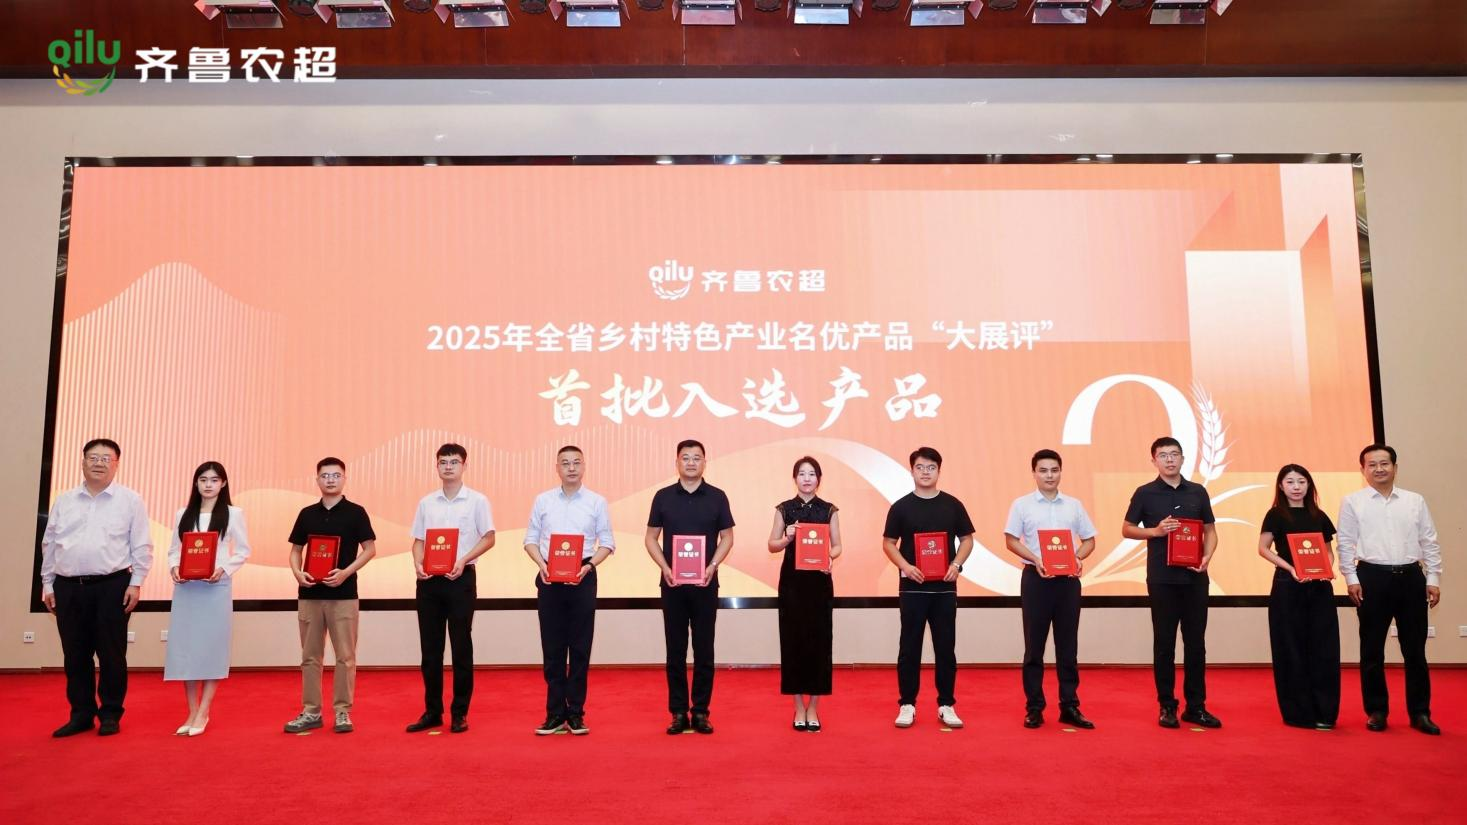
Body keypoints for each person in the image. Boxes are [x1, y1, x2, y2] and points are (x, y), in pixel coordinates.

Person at [40, 438, 152, 737]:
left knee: (111, 654)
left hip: (111, 586)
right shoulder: (64, 500)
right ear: (83, 462)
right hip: (67, 587)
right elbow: (50, 543)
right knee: (75, 654)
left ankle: (111, 713)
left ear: (116, 464)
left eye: (106, 458)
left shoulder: (130, 500)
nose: (99, 463)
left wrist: (136, 583)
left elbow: (142, 545)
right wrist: (48, 583)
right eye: (93, 457)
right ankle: (81, 714)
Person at [1337, 444, 1442, 735]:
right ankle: (1377, 710)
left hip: (1411, 578)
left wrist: (1433, 578)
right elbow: (1345, 543)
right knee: (1372, 649)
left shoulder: (1414, 501)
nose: (1379, 469)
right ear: (1363, 470)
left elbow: (1429, 540)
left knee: (1415, 650)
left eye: (1384, 463)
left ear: (1395, 467)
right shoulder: (1353, 502)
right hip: (1372, 578)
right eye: (1372, 464)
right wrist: (1351, 578)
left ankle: (1420, 713)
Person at [1122, 436, 1220, 729]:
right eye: (1163, 455)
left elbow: (1210, 531)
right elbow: (1127, 529)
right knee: (1164, 644)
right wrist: (1155, 531)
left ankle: (1196, 707)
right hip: (1162, 579)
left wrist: (1207, 556)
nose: (1169, 459)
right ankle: (1167, 705)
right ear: (1154, 460)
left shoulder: (1198, 492)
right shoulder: (1145, 493)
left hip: (1195, 578)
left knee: (1196, 644)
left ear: (1182, 458)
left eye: (1174, 454)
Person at [1002, 449, 1097, 730]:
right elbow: (1010, 540)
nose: (1049, 475)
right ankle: (1034, 708)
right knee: (1034, 648)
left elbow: (1090, 540)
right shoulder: (1022, 505)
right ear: (1034, 473)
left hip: (1068, 582)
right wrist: (1036, 559)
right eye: (1043, 470)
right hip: (1036, 580)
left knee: (1068, 647)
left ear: (1061, 472)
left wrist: (1077, 557)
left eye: (1054, 470)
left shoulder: (1074, 505)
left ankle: (1069, 706)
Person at [645, 439, 735, 735]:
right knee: (675, 650)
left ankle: (700, 712)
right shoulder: (663, 497)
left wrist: (712, 566)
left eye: (697, 457)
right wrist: (665, 567)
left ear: (705, 462)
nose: (691, 462)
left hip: (706, 584)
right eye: (686, 457)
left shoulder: (718, 497)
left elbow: (727, 538)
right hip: (672, 584)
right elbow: (651, 538)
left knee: (704, 650)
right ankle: (678, 712)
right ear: (677, 462)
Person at [523, 446, 615, 736]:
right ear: (557, 468)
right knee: (552, 649)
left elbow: (607, 543)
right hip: (549, 577)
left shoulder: (596, 502)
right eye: (565, 463)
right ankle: (554, 714)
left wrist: (589, 566)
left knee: (579, 648)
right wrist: (541, 564)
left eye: (576, 463)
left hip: (582, 576)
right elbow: (530, 539)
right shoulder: (543, 500)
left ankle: (575, 713)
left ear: (584, 466)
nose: (571, 468)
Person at [882, 446, 975, 730]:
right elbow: (888, 543)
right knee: (909, 648)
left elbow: (967, 539)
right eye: (920, 467)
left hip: (944, 589)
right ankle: (907, 704)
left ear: (939, 471)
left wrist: (956, 564)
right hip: (912, 588)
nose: (925, 472)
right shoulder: (900, 507)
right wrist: (906, 566)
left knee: (945, 648)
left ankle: (946, 704)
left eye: (931, 467)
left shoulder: (952, 505)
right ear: (912, 471)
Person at [284, 457, 377, 734]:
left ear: (344, 479)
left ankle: (342, 712)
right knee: (310, 657)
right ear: (317, 480)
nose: (330, 480)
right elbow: (296, 550)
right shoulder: (306, 514)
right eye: (325, 476)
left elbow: (370, 549)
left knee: (345, 657)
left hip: (344, 595)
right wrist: (297, 572)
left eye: (336, 475)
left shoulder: (356, 513)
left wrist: (346, 573)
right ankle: (311, 711)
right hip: (309, 594)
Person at [407, 443, 495, 734]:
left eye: (454, 462)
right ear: (437, 466)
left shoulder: (477, 501)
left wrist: (463, 559)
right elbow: (418, 540)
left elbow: (489, 537)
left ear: (464, 466)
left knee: (461, 648)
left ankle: (460, 713)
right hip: (429, 583)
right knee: (430, 650)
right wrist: (418, 562)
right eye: (443, 462)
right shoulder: (426, 503)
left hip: (461, 580)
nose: (448, 466)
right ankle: (432, 711)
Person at [164, 461, 251, 736]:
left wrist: (223, 569)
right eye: (203, 479)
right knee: (187, 649)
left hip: (216, 589)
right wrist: (174, 568)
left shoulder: (233, 514)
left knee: (212, 648)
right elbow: (174, 550)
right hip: (187, 589)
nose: (208, 485)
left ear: (223, 483)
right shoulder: (183, 514)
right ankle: (191, 711)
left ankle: (204, 711)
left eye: (214, 480)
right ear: (196, 483)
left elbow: (243, 551)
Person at [1257, 464, 1341, 730]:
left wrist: (1326, 568)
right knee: (1290, 648)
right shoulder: (1275, 515)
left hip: (1319, 588)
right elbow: (1263, 549)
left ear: (1309, 485)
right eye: (1290, 482)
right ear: (1281, 486)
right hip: (1287, 585)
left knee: (1323, 649)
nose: (1296, 487)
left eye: (1301, 481)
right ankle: (1298, 713)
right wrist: (1291, 568)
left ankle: (1325, 712)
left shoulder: (1319, 515)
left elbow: (1328, 551)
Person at [767, 456, 843, 732]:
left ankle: (814, 707)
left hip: (819, 585)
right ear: (795, 478)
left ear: (819, 479)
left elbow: (838, 546)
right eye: (802, 473)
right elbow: (772, 545)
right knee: (793, 644)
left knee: (820, 644)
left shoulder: (829, 509)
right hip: (792, 586)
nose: (807, 478)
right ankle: (799, 706)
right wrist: (787, 537)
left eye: (812, 474)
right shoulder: (784, 509)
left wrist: (829, 557)